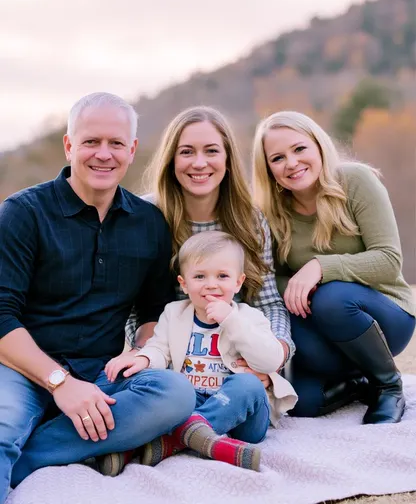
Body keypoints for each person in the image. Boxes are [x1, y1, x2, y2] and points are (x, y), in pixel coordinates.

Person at [0, 92, 195, 503]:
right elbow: (2, 317)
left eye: (115, 143)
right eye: (90, 142)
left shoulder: (148, 223)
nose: (103, 154)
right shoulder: (23, 213)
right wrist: (60, 384)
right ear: (70, 145)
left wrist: (140, 353)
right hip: (23, 370)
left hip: (103, 374)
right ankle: (45, 440)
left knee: (174, 393)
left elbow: (152, 313)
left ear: (132, 150)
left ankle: (31, 454)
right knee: (3, 426)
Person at [252, 110, 415, 423]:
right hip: (325, 332)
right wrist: (298, 285)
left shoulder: (355, 181)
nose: (292, 163)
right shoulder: (271, 212)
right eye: (278, 157)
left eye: (299, 149)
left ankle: (388, 384)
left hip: (385, 317)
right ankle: (357, 382)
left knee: (333, 297)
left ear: (318, 146)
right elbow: (272, 279)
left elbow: (389, 259)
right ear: (268, 168)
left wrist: (319, 268)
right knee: (297, 401)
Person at [104, 231, 297, 473]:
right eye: (199, 276)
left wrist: (231, 320)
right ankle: (194, 439)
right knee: (161, 395)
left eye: (223, 276)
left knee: (247, 384)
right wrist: (143, 357)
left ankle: (165, 441)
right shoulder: (174, 313)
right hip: (190, 403)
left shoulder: (250, 318)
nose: (211, 284)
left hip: (241, 416)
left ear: (238, 282)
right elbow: (159, 349)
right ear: (184, 284)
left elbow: (270, 359)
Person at [126, 106, 295, 366]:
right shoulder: (144, 215)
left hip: (234, 351)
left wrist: (275, 354)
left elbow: (269, 302)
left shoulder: (249, 218)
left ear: (227, 159)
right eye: (186, 152)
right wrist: (141, 350)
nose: (199, 163)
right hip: (165, 352)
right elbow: (125, 306)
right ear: (171, 160)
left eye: (211, 151)